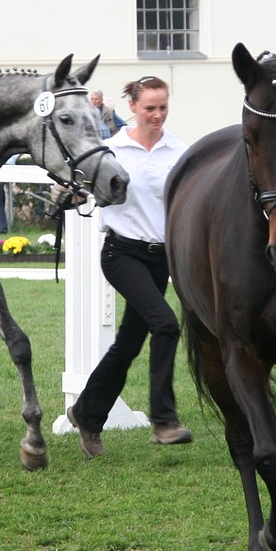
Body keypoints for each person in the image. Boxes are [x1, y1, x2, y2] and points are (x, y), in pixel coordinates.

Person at [65, 75, 193, 458]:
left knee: (128, 344)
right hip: (122, 254)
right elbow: (86, 187)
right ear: (133, 107)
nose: (157, 114)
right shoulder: (112, 150)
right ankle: (164, 420)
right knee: (166, 324)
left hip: (161, 258)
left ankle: (86, 414)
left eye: (163, 107)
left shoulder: (179, 152)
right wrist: (76, 193)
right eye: (150, 107)